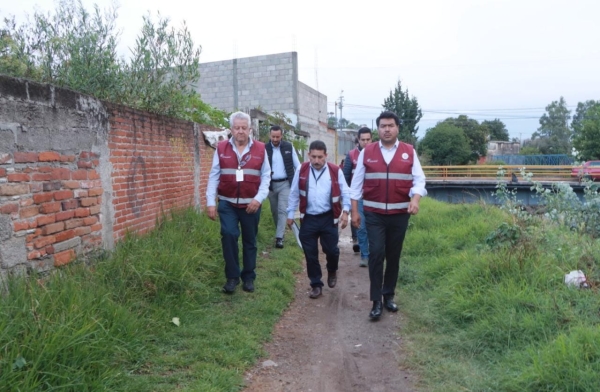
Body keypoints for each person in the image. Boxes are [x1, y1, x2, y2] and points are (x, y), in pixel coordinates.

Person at [350, 111, 427, 320]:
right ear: (378, 129)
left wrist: (415, 199)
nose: (386, 129)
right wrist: (355, 212)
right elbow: (356, 184)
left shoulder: (408, 152)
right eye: (383, 126)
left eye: (390, 125)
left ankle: (388, 296)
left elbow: (419, 180)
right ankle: (375, 301)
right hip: (374, 214)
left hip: (400, 214)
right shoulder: (368, 152)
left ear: (397, 128)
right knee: (376, 253)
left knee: (393, 255)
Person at [206, 111, 271, 294]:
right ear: (231, 129)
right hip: (227, 203)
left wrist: (258, 199)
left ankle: (248, 277)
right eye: (237, 127)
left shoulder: (260, 149)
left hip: (251, 205)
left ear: (250, 129)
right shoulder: (221, 148)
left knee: (250, 241)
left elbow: (266, 176)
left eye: (244, 128)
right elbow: (214, 176)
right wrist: (211, 202)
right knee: (228, 235)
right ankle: (232, 277)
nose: (240, 131)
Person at [287, 140, 351, 299]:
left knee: (331, 250)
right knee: (310, 253)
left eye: (320, 157)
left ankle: (331, 269)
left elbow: (346, 192)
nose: (316, 161)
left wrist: (346, 212)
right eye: (313, 157)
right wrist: (289, 215)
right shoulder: (302, 170)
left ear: (326, 156)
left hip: (328, 218)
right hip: (308, 218)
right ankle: (316, 284)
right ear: (308, 155)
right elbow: (294, 193)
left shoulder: (335, 171)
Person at [266, 125, 300, 249]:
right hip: (271, 185)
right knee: (275, 211)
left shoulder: (289, 147)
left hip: (285, 184)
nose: (275, 139)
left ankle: (279, 238)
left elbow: (298, 166)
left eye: (278, 137)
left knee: (282, 210)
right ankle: (280, 231)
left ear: (282, 136)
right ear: (270, 135)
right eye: (273, 136)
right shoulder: (264, 149)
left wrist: (297, 183)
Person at [343, 127, 373, 266]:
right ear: (358, 140)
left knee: (374, 227)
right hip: (359, 196)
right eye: (363, 140)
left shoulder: (377, 154)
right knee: (361, 226)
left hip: (374, 196)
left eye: (368, 139)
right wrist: (349, 198)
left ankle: (374, 253)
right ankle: (365, 255)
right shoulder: (351, 155)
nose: (366, 142)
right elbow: (346, 177)